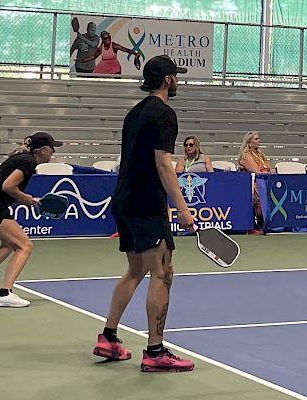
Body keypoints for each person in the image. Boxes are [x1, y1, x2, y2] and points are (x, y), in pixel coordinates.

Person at [97, 55, 197, 373]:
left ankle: (109, 337)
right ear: (168, 80)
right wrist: (181, 208)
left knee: (135, 270)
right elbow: (162, 163)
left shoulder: (134, 113)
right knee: (163, 273)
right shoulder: (164, 114)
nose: (178, 81)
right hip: (146, 205)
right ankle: (155, 352)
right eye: (175, 76)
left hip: (123, 201)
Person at [0, 132, 61, 308]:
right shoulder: (28, 161)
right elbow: (8, 186)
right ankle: (5, 293)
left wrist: (29, 199)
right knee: (24, 245)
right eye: (52, 148)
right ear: (43, 149)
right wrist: (26, 198)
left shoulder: (23, 159)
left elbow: (5, 188)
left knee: (9, 243)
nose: (53, 152)